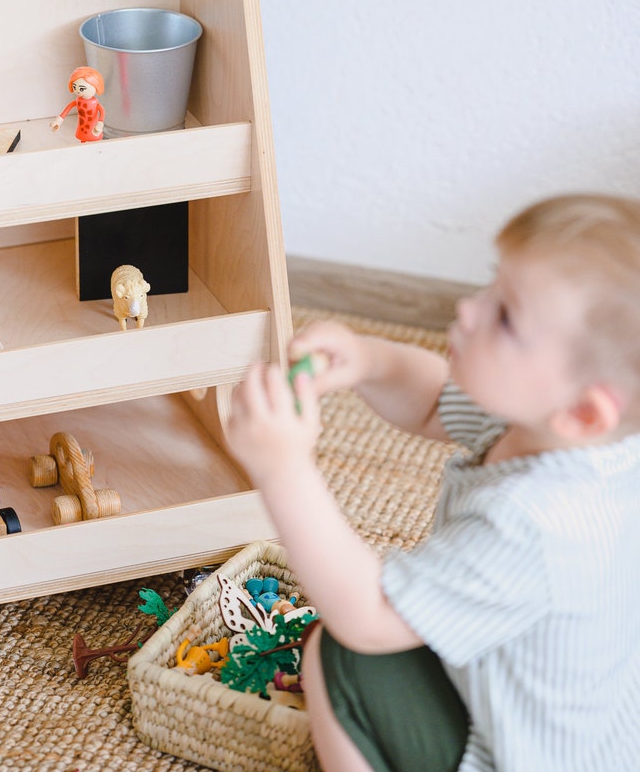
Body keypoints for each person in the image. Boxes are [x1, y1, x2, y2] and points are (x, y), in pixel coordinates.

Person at [226, 194, 640, 771]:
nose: (469, 309)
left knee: (337, 651)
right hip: (591, 735)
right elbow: (434, 403)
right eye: (491, 285)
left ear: (586, 411)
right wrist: (370, 360)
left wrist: (282, 468)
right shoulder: (578, 433)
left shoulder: (532, 521)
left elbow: (368, 617)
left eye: (506, 317)